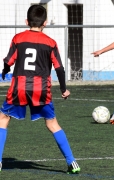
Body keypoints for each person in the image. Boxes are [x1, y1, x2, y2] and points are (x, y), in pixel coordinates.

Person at [0, 5, 80, 174]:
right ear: (45, 23)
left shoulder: (18, 38)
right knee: (52, 123)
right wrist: (64, 89)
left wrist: (5, 71)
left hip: (19, 87)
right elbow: (59, 68)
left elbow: (8, 61)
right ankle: (72, 162)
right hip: (41, 89)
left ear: (26, 21)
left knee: (3, 119)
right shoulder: (50, 43)